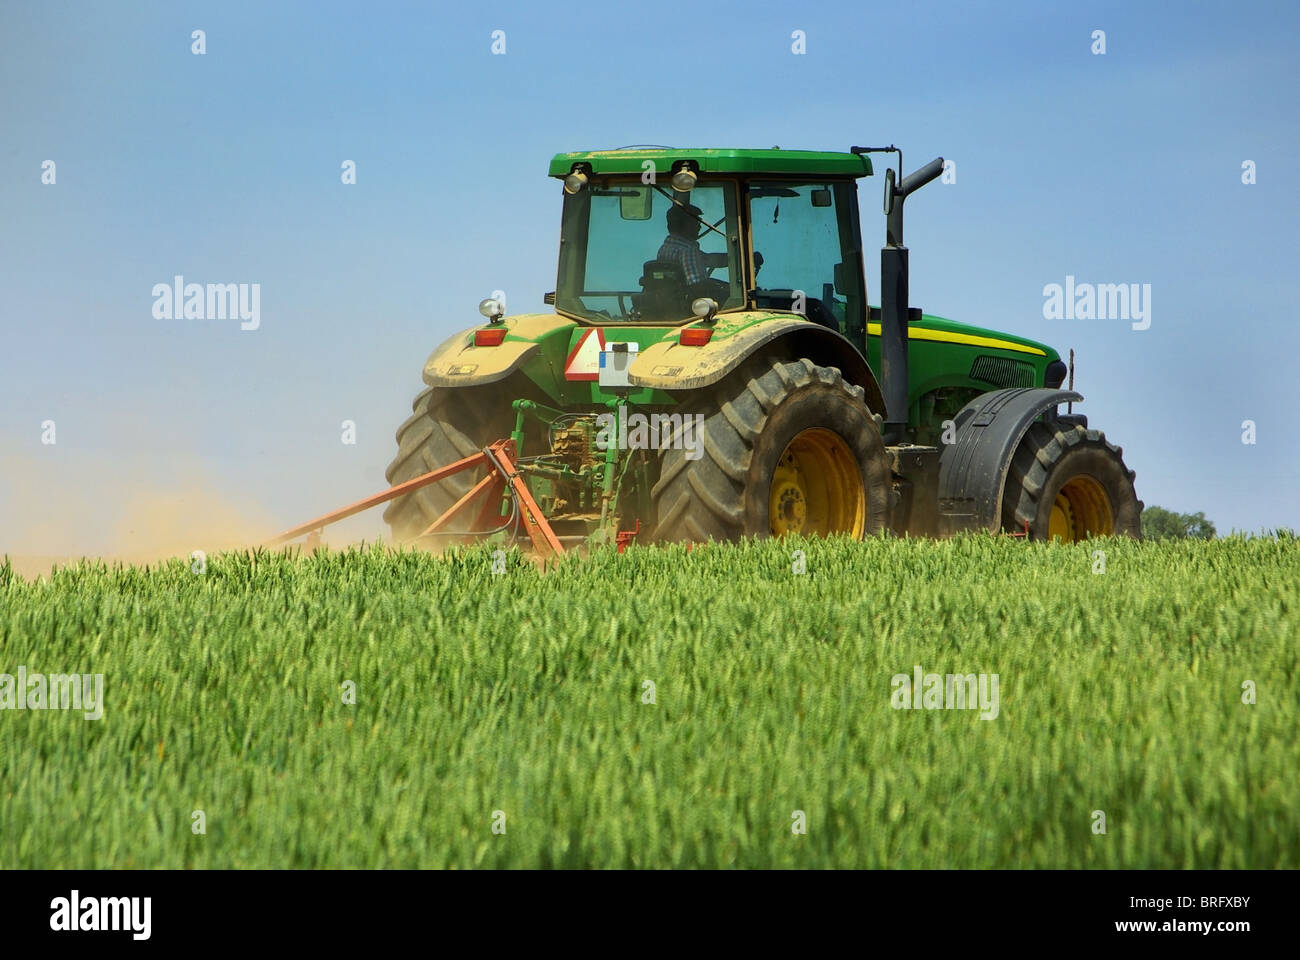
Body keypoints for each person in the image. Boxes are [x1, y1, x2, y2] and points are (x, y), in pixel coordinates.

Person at [656, 202, 731, 304]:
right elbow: (698, 287)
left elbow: (707, 259)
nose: (699, 227)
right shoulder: (688, 250)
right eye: (696, 222)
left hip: (670, 304)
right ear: (683, 225)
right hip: (690, 307)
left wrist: (737, 258)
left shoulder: (665, 247)